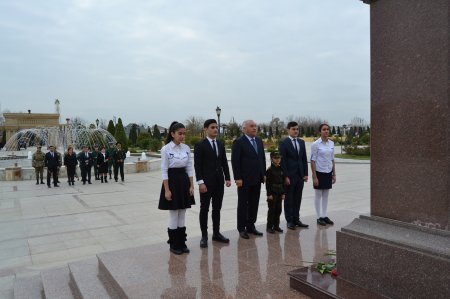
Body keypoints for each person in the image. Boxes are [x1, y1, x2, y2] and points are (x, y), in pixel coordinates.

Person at [158, 121, 195, 255]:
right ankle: (174, 244)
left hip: (184, 181)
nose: (182, 136)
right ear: (172, 134)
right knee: (174, 213)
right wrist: (167, 190)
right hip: (172, 181)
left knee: (183, 212)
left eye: (184, 133)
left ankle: (182, 242)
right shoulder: (166, 149)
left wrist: (191, 185)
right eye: (180, 133)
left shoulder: (185, 148)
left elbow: (189, 167)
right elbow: (164, 171)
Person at [194, 119, 231, 248]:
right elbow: (197, 166)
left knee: (217, 209)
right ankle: (204, 236)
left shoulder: (220, 144)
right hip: (206, 183)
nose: (215, 129)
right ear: (205, 129)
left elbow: (224, 162)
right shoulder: (200, 145)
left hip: (219, 182)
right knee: (204, 209)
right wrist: (200, 182)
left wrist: (227, 177)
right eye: (212, 127)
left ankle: (216, 233)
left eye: (216, 127)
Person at [231, 120, 266, 239]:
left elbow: (262, 158)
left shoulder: (259, 141)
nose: (254, 128)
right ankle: (241, 228)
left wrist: (263, 174)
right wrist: (238, 178)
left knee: (254, 203)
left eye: (255, 126)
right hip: (244, 180)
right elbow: (235, 162)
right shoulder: (239, 142)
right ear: (244, 129)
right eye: (251, 126)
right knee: (243, 204)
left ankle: (251, 225)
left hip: (257, 178)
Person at [279, 121, 309, 230]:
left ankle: (296, 219)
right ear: (288, 130)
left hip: (300, 175)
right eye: (293, 129)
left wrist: (305, 174)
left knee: (298, 198)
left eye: (297, 129)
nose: (296, 131)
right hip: (289, 176)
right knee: (289, 199)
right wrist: (285, 176)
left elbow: (304, 159)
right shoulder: (284, 142)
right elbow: (283, 161)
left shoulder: (301, 142)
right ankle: (290, 220)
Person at [311, 124, 336, 226]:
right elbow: (312, 161)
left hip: (328, 171)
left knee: (326, 195)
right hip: (319, 172)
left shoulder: (331, 143)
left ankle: (324, 216)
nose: (326, 131)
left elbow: (332, 159)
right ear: (320, 132)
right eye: (324, 129)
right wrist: (314, 176)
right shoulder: (316, 144)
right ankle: (318, 217)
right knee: (318, 195)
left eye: (327, 129)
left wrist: (334, 174)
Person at [265, 151, 285, 234]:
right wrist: (269, 194)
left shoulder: (281, 168)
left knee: (279, 209)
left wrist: (283, 193)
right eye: (275, 158)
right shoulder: (269, 170)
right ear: (272, 159)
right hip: (272, 192)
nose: (277, 160)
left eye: (279, 158)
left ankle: (276, 226)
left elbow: (283, 182)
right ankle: (269, 227)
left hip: (280, 191)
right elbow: (268, 183)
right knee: (272, 210)